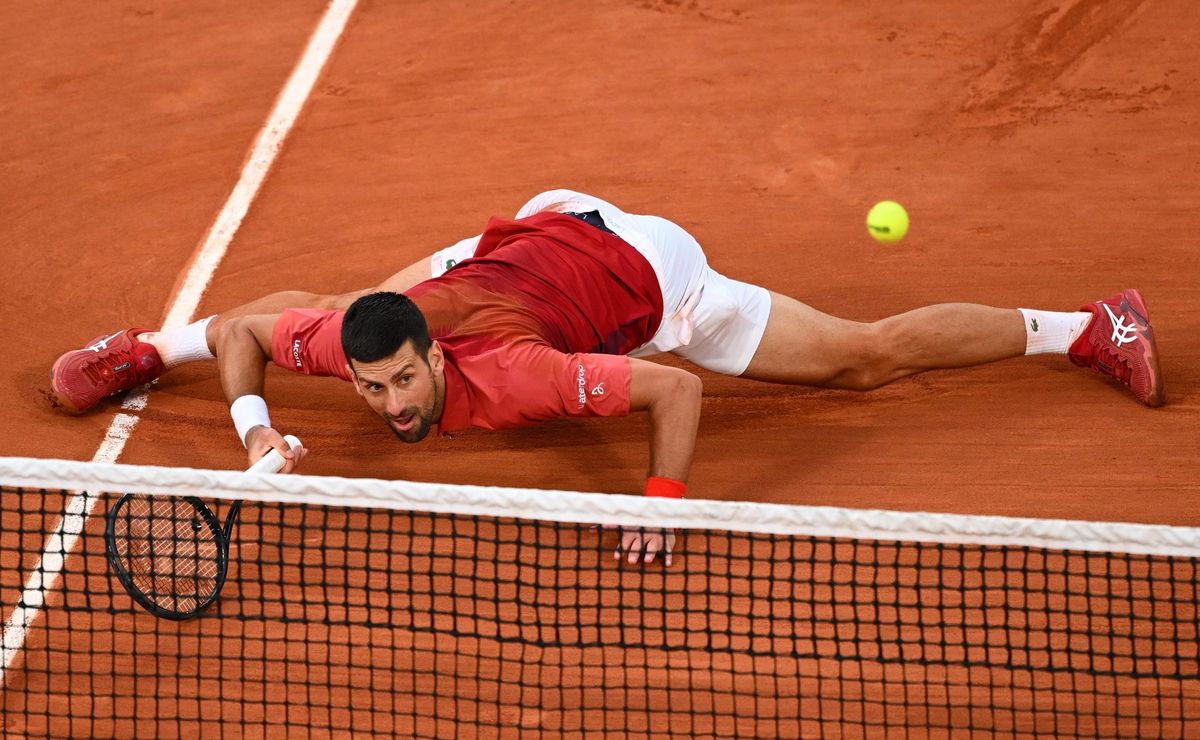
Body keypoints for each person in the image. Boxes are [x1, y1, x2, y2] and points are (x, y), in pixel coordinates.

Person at [48, 189, 1165, 565]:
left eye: (403, 384)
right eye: (372, 385)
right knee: (341, 299)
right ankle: (140, 348)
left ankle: (1085, 327)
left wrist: (661, 503)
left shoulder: (528, 377)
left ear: (439, 363)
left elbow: (673, 391)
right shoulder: (357, 340)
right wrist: (250, 428)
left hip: (648, 274)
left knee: (857, 360)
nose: (389, 403)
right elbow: (250, 327)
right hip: (528, 233)